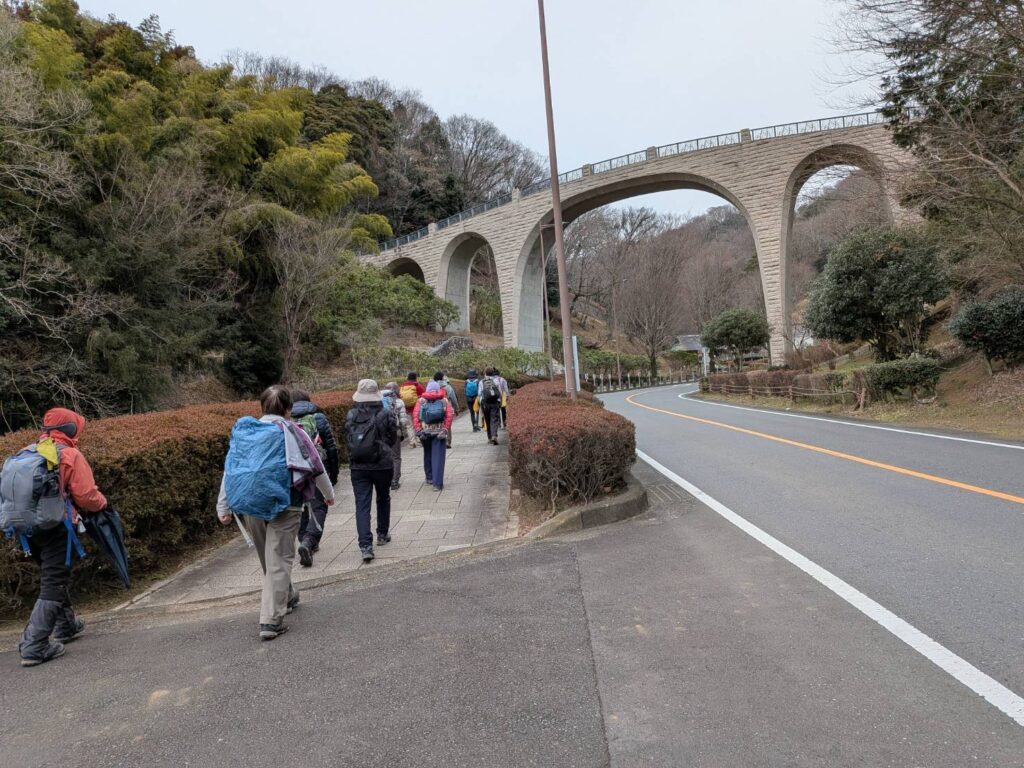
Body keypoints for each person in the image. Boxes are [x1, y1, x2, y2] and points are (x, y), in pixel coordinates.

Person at [217, 385, 335, 641]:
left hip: (250, 503)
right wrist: (328, 494)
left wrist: (223, 506)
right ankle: (271, 621)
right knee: (279, 559)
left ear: (262, 408)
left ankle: (288, 595)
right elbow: (315, 465)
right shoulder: (293, 431)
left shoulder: (246, 433)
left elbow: (231, 468)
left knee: (268, 559)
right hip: (287, 502)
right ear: (287, 409)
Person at [10, 408, 108, 667]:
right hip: (57, 528)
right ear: (71, 430)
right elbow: (87, 496)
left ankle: (66, 626)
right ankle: (35, 644)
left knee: (52, 573)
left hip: (27, 530)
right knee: (54, 580)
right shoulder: (69, 454)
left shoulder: (27, 452)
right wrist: (104, 503)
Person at [346, 379, 397, 562]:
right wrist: (382, 449)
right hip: (383, 464)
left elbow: (348, 439)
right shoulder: (386, 412)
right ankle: (382, 534)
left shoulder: (351, 415)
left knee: (362, 504)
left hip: (358, 466)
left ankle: (365, 545)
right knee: (383, 498)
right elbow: (393, 436)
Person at [290, 389, 340, 569]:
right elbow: (331, 448)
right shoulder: (318, 418)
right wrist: (333, 475)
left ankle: (304, 539)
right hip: (317, 467)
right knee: (320, 506)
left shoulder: (286, 420)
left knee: (300, 505)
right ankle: (310, 541)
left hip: (294, 470)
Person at [413, 380, 454, 491]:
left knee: (427, 454)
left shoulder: (421, 401)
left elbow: (416, 416)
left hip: (425, 432)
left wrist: (418, 430)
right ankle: (437, 483)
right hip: (439, 432)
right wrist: (445, 429)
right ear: (438, 388)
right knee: (438, 457)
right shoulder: (444, 400)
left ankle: (429, 477)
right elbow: (449, 416)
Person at [381, 382, 409, 490]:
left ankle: (385, 480)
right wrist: (402, 432)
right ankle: (394, 480)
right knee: (396, 457)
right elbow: (402, 419)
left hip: (380, 433)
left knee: (383, 456)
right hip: (394, 432)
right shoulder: (399, 402)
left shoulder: (378, 401)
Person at [433, 371, 459, 448]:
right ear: (442, 378)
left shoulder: (432, 386)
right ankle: (448, 441)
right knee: (447, 424)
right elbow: (453, 399)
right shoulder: (447, 386)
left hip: (436, 408)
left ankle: (440, 440)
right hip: (447, 408)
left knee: (438, 423)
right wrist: (457, 408)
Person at [477, 368, 503, 446]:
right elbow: (500, 392)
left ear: (485, 373)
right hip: (494, 402)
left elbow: (479, 393)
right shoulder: (496, 381)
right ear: (493, 373)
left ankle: (489, 438)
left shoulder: (481, 382)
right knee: (494, 419)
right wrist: (500, 401)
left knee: (487, 420)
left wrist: (480, 402)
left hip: (485, 403)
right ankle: (494, 435)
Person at [398, 372, 425, 446]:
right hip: (416, 408)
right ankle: (419, 440)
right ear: (416, 377)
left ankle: (412, 442)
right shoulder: (417, 386)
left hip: (406, 409)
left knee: (409, 426)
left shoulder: (402, 386)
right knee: (418, 424)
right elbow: (424, 396)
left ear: (407, 378)